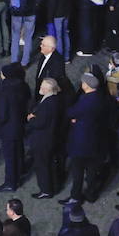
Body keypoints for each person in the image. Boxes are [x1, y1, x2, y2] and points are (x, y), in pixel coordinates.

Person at [66, 74, 108, 204]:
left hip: (81, 141)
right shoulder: (101, 98)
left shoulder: (85, 100)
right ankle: (91, 194)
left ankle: (76, 196)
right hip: (96, 139)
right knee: (91, 170)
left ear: (87, 85)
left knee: (77, 170)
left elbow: (71, 112)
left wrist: (75, 119)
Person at [0, 62, 30, 193]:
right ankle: (21, 169)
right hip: (19, 124)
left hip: (8, 128)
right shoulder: (22, 86)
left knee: (9, 157)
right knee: (18, 150)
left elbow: (2, 114)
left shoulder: (5, 91)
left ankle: (10, 182)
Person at [28, 77, 65, 198]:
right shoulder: (56, 100)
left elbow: (40, 123)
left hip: (42, 140)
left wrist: (31, 119)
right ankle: (54, 185)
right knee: (50, 164)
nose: (40, 88)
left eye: (42, 87)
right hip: (51, 138)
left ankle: (46, 190)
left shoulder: (48, 104)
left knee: (42, 165)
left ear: (47, 90)